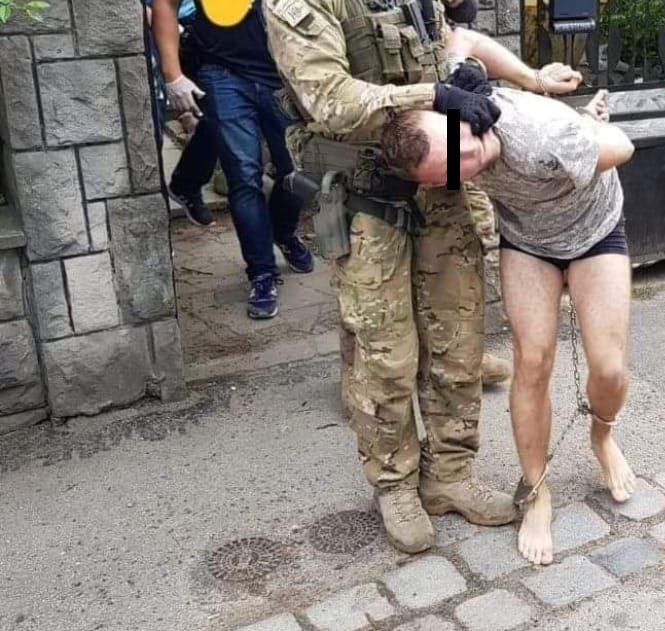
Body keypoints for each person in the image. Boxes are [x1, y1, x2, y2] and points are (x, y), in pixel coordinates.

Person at [262, 0, 583, 553]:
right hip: (366, 195)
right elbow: (331, 100)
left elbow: (441, 42)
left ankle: (450, 475)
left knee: (459, 340)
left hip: (443, 181)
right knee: (385, 354)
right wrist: (434, 96)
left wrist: (461, 75)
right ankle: (395, 484)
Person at [379, 84, 637, 565]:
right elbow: (463, 46)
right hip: (527, 243)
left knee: (609, 369)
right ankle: (537, 489)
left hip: (595, 233)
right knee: (532, 362)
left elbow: (623, 146)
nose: (472, 163)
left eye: (465, 152)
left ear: (460, 123)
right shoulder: (451, 130)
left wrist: (585, 133)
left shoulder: (540, 135)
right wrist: (522, 75)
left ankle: (602, 436)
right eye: (456, 171)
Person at [151, 0, 314, 320]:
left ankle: (283, 232)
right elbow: (165, 5)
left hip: (284, 73)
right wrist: (172, 75)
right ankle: (262, 274)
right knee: (243, 177)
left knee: (301, 171)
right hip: (222, 73)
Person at [147, 0, 221, 227]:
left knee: (222, 115)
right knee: (218, 114)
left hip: (215, 23)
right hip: (170, 26)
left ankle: (187, 182)